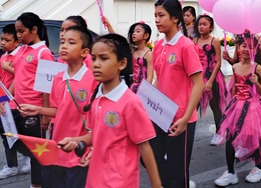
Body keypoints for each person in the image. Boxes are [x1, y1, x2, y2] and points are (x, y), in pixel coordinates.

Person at [57, 33, 161, 187]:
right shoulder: (97, 98)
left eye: (103, 58)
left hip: (120, 182)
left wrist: (157, 185)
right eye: (93, 58)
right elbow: (95, 135)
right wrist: (75, 140)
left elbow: (144, 147)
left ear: (122, 63)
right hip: (94, 180)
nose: (96, 64)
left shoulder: (130, 102)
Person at [20, 26, 97, 187]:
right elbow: (58, 110)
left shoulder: (93, 80)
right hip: (58, 150)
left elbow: (98, 119)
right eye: (62, 42)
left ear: (84, 52)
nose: (63, 46)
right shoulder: (57, 78)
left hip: (80, 152)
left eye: (71, 42)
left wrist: (93, 148)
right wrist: (38, 109)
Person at [152, 0, 203, 187]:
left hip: (181, 117)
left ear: (175, 18)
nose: (156, 20)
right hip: (159, 114)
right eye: (155, 15)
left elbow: (198, 83)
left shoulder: (186, 46)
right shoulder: (158, 46)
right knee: (151, 158)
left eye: (161, 15)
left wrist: (186, 117)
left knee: (178, 170)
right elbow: (159, 79)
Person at [214, 35, 261, 186]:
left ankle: (259, 168)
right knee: (230, 136)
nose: (246, 50)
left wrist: (257, 82)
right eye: (243, 46)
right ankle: (230, 172)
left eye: (251, 47)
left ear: (255, 50)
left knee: (255, 137)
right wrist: (232, 106)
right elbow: (235, 89)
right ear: (238, 48)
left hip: (254, 106)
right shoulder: (235, 67)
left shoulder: (257, 68)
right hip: (237, 105)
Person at [11, 12, 55, 188]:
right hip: (18, 107)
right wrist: (6, 99)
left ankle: (37, 184)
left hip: (34, 110)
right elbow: (17, 76)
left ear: (34, 29)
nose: (19, 35)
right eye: (17, 32)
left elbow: (47, 87)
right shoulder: (21, 49)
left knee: (38, 151)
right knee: (18, 143)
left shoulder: (44, 53)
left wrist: (45, 115)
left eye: (22, 31)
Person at [0, 24, 31, 179]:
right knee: (6, 135)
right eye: (1, 39)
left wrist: (9, 68)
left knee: (21, 134)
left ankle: (28, 158)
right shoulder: (3, 57)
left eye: (7, 40)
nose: (2, 43)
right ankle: (11, 165)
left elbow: (24, 75)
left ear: (16, 42)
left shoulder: (20, 56)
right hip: (3, 102)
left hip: (18, 103)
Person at [193, 14, 227, 146]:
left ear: (211, 27)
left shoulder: (214, 41)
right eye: (199, 24)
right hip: (197, 78)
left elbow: (218, 62)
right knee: (192, 106)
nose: (201, 27)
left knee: (215, 106)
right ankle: (185, 132)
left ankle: (220, 133)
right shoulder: (194, 41)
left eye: (204, 24)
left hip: (212, 76)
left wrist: (211, 81)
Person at [223, 31, 261, 111]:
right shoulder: (241, 39)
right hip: (241, 78)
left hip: (257, 77)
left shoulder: (260, 39)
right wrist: (228, 58)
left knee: (259, 109)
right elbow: (236, 62)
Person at [127, 21, 154, 92]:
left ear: (146, 35)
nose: (134, 33)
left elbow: (150, 75)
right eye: (133, 31)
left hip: (143, 88)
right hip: (132, 86)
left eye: (138, 31)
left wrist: (146, 91)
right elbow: (120, 42)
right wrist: (109, 26)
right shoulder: (133, 50)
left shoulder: (148, 53)